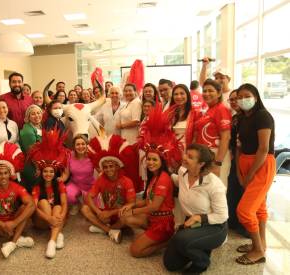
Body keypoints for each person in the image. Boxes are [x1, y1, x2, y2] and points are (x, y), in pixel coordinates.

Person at [120, 104, 182, 258]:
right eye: (148, 159)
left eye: (154, 159)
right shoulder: (154, 177)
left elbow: (154, 205)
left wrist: (133, 210)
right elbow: (148, 201)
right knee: (125, 216)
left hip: (162, 222)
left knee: (135, 251)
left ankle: (167, 241)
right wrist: (131, 205)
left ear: (162, 160)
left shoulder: (164, 178)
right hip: (153, 218)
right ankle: (150, 234)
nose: (150, 162)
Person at [163, 144, 228, 274]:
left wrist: (199, 217)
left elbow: (222, 216)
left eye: (190, 157)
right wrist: (162, 173)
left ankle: (202, 262)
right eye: (186, 154)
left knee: (180, 239)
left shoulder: (214, 184)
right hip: (193, 224)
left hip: (214, 226)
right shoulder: (183, 172)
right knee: (170, 264)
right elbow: (177, 181)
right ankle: (199, 245)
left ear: (201, 164)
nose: (185, 157)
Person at [235, 83, 275, 265]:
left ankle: (258, 251)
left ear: (256, 97)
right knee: (259, 207)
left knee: (244, 210)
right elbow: (239, 146)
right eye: (239, 97)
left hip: (261, 164)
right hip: (246, 163)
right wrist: (239, 171)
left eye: (247, 96)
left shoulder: (263, 116)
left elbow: (264, 148)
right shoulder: (242, 118)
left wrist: (250, 174)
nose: (243, 100)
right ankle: (260, 242)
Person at [0, 142, 35, 258]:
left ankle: (12, 242)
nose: (3, 176)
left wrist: (14, 222)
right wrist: (3, 225)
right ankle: (18, 238)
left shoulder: (16, 187)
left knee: (26, 207)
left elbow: (32, 204)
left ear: (10, 174)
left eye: (5, 173)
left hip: (13, 222)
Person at [81, 134, 137, 243]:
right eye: (105, 167)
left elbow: (132, 203)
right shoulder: (101, 179)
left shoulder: (127, 181)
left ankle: (103, 229)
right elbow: (89, 196)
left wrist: (111, 213)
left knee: (128, 215)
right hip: (106, 216)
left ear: (117, 166)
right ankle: (109, 230)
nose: (108, 169)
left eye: (111, 166)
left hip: (121, 216)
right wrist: (98, 212)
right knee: (84, 208)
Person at [29, 128, 70, 259]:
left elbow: (64, 203)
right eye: (45, 171)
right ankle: (58, 233)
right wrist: (49, 219)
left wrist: (60, 216)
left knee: (58, 207)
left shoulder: (59, 184)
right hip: (42, 221)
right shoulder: (36, 187)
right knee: (43, 202)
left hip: (56, 218)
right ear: (41, 173)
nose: (48, 174)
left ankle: (51, 242)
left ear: (55, 173)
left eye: (51, 172)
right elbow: (34, 208)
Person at [194, 79, 231, 186]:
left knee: (217, 190)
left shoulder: (221, 109)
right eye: (204, 91)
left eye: (210, 91)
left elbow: (226, 137)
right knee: (207, 189)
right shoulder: (209, 110)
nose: (206, 94)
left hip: (217, 155)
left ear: (219, 93)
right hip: (206, 155)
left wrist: (218, 163)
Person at [226, 90, 248, 237]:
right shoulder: (234, 118)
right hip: (234, 159)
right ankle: (234, 223)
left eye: (237, 99)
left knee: (245, 192)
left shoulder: (251, 118)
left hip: (248, 160)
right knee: (233, 190)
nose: (234, 102)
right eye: (231, 100)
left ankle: (247, 227)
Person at [61, 135, 94, 215]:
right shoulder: (70, 155)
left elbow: (101, 171)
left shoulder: (92, 155)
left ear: (86, 145)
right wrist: (59, 179)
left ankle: (84, 200)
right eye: (78, 144)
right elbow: (66, 174)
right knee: (67, 194)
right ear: (74, 146)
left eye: (83, 144)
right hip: (75, 184)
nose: (80, 146)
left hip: (90, 185)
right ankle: (75, 204)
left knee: (93, 210)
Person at [19, 105, 43, 193]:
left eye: (38, 113)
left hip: (40, 162)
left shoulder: (39, 126)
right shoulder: (27, 131)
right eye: (33, 114)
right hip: (31, 165)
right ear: (28, 117)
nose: (36, 116)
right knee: (35, 190)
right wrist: (37, 167)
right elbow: (31, 152)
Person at [169, 84, 197, 151]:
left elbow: (196, 137)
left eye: (182, 93)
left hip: (188, 150)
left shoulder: (195, 113)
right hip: (172, 150)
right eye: (176, 94)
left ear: (187, 95)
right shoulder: (170, 114)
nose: (179, 96)